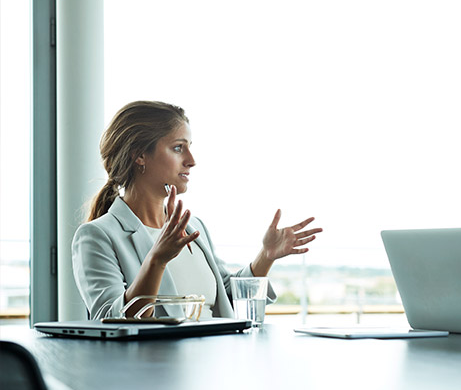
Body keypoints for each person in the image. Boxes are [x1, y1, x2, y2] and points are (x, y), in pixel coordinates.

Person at [72, 101, 322, 320]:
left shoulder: (194, 227)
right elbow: (109, 320)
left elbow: (226, 297)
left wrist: (266, 256)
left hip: (216, 362)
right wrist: (157, 260)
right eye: (179, 148)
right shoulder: (97, 236)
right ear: (140, 155)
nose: (191, 160)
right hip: (154, 371)